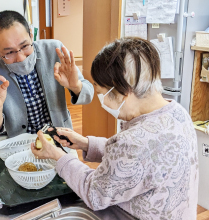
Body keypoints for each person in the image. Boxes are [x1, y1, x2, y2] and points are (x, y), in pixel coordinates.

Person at [31, 37, 198, 220]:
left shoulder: (133, 142)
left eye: (102, 94)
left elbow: (94, 194)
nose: (102, 102)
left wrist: (58, 156)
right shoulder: (177, 113)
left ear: (124, 91)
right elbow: (140, 162)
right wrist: (86, 144)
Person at [0, 11, 94, 138]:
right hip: (19, 147)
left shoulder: (54, 51)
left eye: (25, 46)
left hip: (60, 138)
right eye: (9, 52)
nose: (21, 58)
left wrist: (75, 86)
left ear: (31, 35)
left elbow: (88, 95)